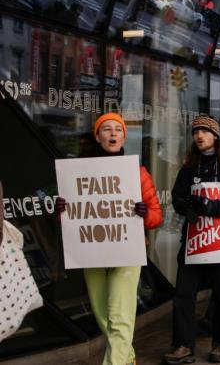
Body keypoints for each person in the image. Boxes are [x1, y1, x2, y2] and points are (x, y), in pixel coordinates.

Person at [56, 113, 163, 365]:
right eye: (106, 129)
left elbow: (156, 216)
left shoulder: (137, 172)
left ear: (124, 136)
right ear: (97, 136)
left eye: (118, 129)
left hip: (127, 250)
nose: (113, 133)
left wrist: (145, 214)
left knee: (119, 314)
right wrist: (62, 210)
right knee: (102, 313)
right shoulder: (79, 173)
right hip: (91, 251)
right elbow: (75, 219)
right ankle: (128, 357)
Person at [164, 114, 220, 364]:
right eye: (195, 132)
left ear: (215, 136)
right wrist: (186, 205)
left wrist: (211, 206)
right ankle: (183, 345)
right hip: (194, 243)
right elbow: (177, 197)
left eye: (204, 131)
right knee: (183, 296)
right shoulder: (189, 167)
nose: (199, 136)